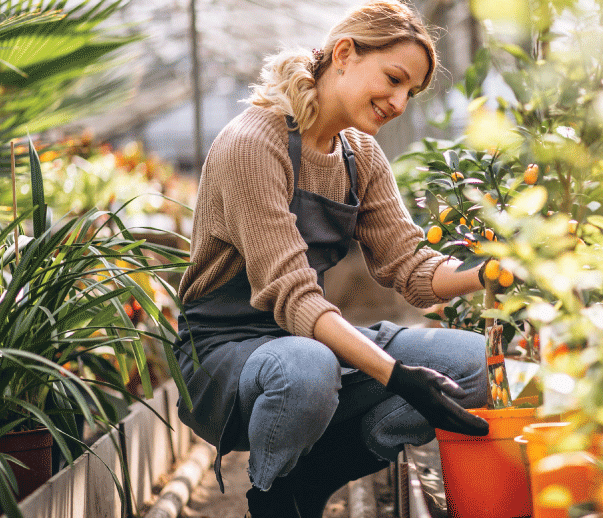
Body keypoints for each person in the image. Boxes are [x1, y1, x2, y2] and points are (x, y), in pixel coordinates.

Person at [172, 1, 491, 517]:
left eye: (410, 91)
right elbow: (296, 299)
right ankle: (273, 496)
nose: (399, 102)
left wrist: (494, 272)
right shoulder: (254, 143)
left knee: (474, 367)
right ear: (343, 53)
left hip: (304, 338)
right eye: (393, 78)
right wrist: (399, 376)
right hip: (225, 349)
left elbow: (410, 269)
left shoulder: (358, 153)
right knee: (308, 369)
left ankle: (318, 476)